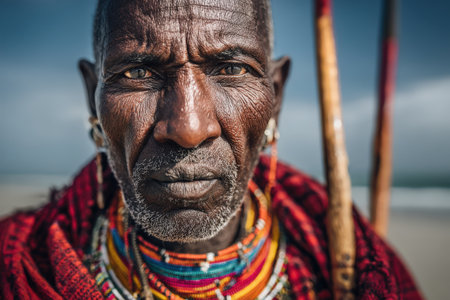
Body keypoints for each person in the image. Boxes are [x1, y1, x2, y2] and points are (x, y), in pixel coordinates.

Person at [0, 0, 423, 299]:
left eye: (231, 69)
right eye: (139, 71)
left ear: (275, 94)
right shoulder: (20, 266)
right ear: (93, 94)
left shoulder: (355, 266)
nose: (188, 128)